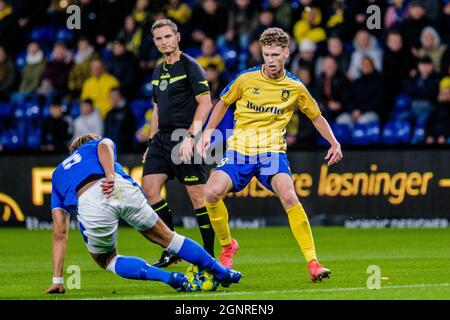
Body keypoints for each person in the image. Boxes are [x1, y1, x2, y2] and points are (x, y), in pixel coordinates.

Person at [197, 27, 342, 282]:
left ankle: (313, 263)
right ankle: (227, 245)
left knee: (289, 195)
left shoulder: (295, 87)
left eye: (276, 54)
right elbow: (222, 103)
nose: (271, 60)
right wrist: (209, 131)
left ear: (286, 53)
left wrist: (334, 142)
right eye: (266, 55)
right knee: (210, 192)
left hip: (272, 153)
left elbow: (316, 117)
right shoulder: (245, 79)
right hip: (240, 151)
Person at [45, 134, 241, 294]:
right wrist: (110, 175)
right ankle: (222, 272)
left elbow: (60, 233)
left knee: (107, 259)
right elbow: (104, 145)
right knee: (169, 238)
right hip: (121, 186)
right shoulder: (93, 145)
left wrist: (58, 279)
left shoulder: (57, 174)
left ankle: (169, 278)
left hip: (90, 199)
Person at [142, 19, 215, 268]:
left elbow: (206, 103)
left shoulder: (191, 66)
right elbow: (156, 109)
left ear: (177, 37)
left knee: (198, 199)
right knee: (150, 190)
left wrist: (192, 137)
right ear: (155, 42)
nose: (164, 41)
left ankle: (209, 255)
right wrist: (151, 142)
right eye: (159, 38)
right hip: (162, 140)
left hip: (184, 137)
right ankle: (172, 248)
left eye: (167, 37)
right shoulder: (158, 70)